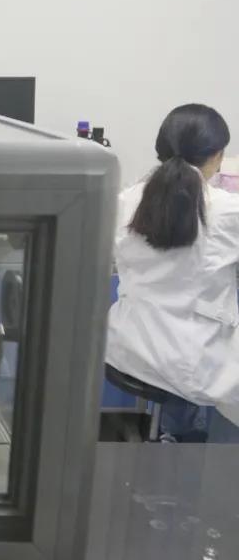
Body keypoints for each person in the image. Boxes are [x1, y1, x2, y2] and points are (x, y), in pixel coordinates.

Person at [107, 103, 239, 440]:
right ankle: (188, 447)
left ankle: (172, 438)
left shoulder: (123, 201)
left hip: (127, 347)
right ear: (217, 156)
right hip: (190, 363)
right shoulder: (227, 211)